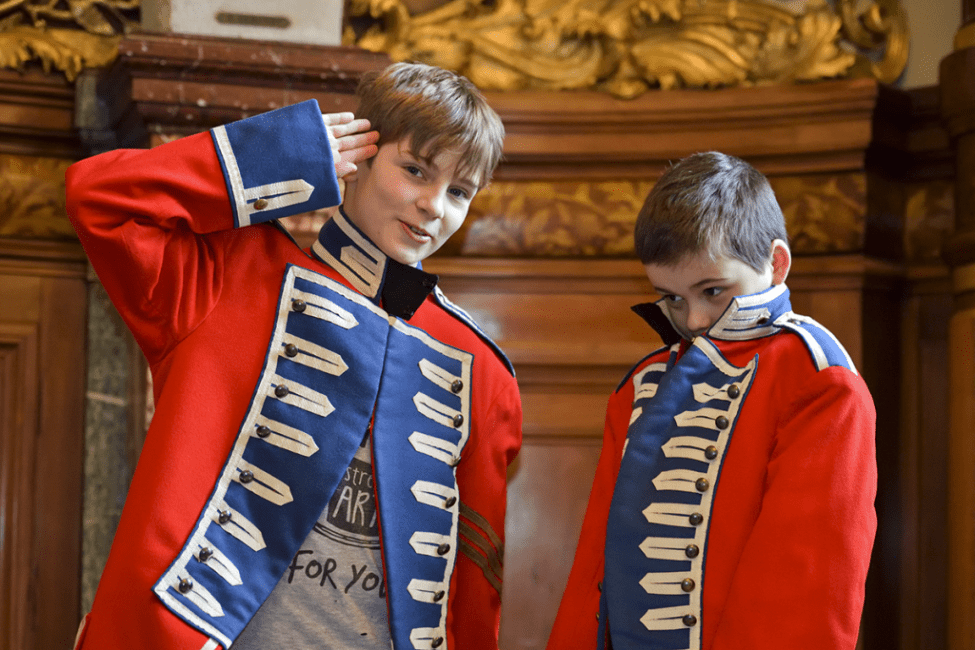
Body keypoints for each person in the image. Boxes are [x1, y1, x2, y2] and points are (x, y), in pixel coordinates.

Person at [67, 61, 522, 650]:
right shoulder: (229, 277)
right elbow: (96, 198)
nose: (434, 205)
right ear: (356, 155)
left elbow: (474, 585)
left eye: (459, 192)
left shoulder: (480, 369)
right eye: (415, 170)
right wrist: (280, 155)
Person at [546, 152, 877, 650]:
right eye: (673, 298)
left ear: (776, 264)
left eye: (713, 291)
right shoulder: (641, 386)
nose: (696, 320)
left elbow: (804, 592)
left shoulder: (818, 381)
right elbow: (594, 568)